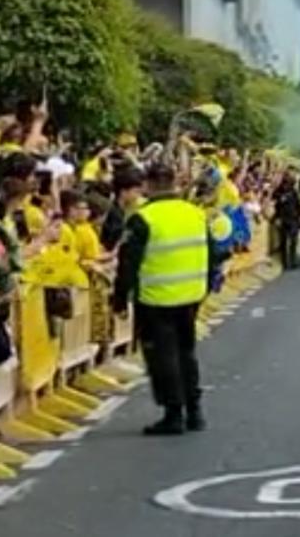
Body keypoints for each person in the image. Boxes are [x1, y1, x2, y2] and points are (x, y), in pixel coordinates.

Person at [113, 163, 211, 436]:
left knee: (162, 357)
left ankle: (173, 414)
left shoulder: (143, 218)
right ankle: (195, 411)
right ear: (175, 183)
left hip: (156, 300)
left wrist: (120, 298)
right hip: (191, 295)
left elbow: (128, 263)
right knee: (186, 354)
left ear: (148, 185)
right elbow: (212, 250)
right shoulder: (195, 213)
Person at [272, 169, 300, 270]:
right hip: (283, 218)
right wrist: (277, 217)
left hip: (293, 218)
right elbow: (275, 202)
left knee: (293, 241)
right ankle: (285, 263)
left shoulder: (294, 191)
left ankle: (293, 261)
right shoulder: (279, 190)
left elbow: (299, 205)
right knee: (283, 242)